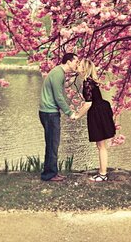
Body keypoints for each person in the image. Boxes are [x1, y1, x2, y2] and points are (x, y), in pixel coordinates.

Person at [39, 53, 79, 181]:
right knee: (52, 143)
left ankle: (51, 172)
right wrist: (70, 113)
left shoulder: (58, 73)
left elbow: (59, 91)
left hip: (48, 112)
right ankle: (49, 174)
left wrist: (69, 83)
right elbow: (58, 97)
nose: (77, 65)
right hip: (49, 113)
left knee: (52, 143)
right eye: (75, 62)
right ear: (68, 62)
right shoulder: (58, 73)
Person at [74, 59, 116, 182]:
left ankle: (103, 174)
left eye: (80, 66)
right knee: (101, 146)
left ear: (85, 69)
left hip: (97, 113)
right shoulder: (91, 81)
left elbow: (88, 104)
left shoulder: (87, 83)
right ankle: (102, 173)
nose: (77, 67)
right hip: (100, 111)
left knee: (101, 146)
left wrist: (77, 116)